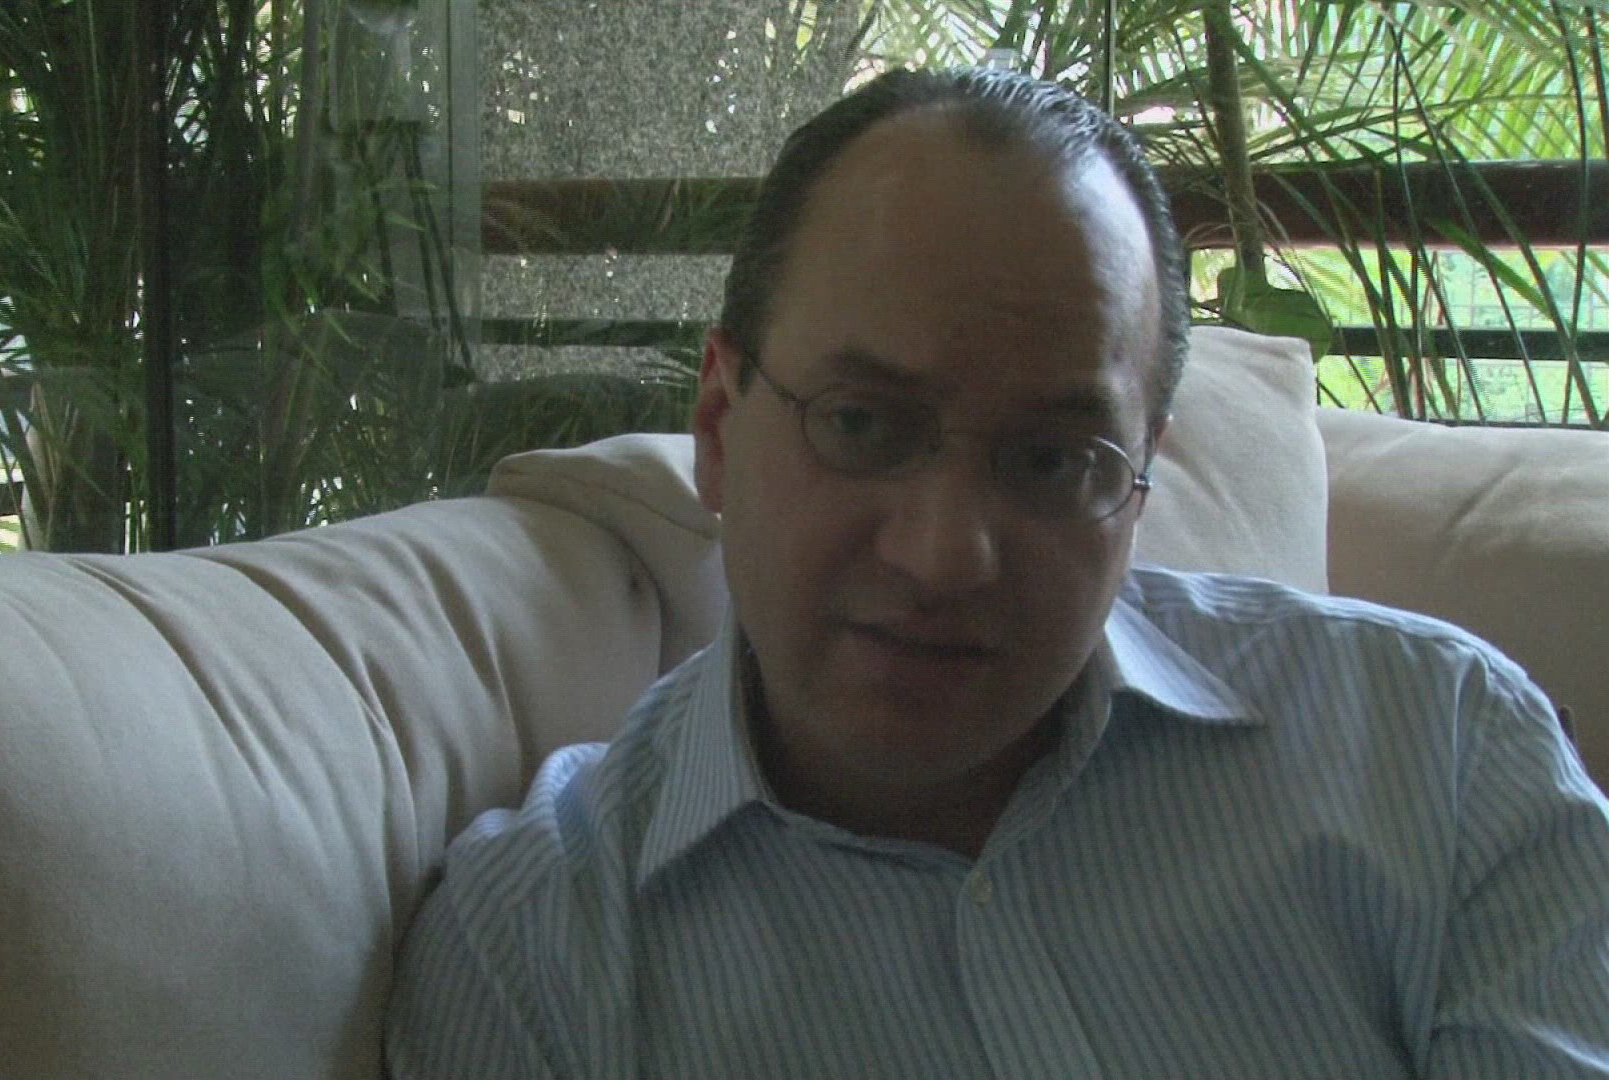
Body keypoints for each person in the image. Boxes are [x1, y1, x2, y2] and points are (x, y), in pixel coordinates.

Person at [386, 67, 1609, 1077]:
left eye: (1051, 459)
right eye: (862, 424)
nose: (943, 554)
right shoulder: (538, 952)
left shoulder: (1448, 760)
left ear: (1139, 486)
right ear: (717, 426)